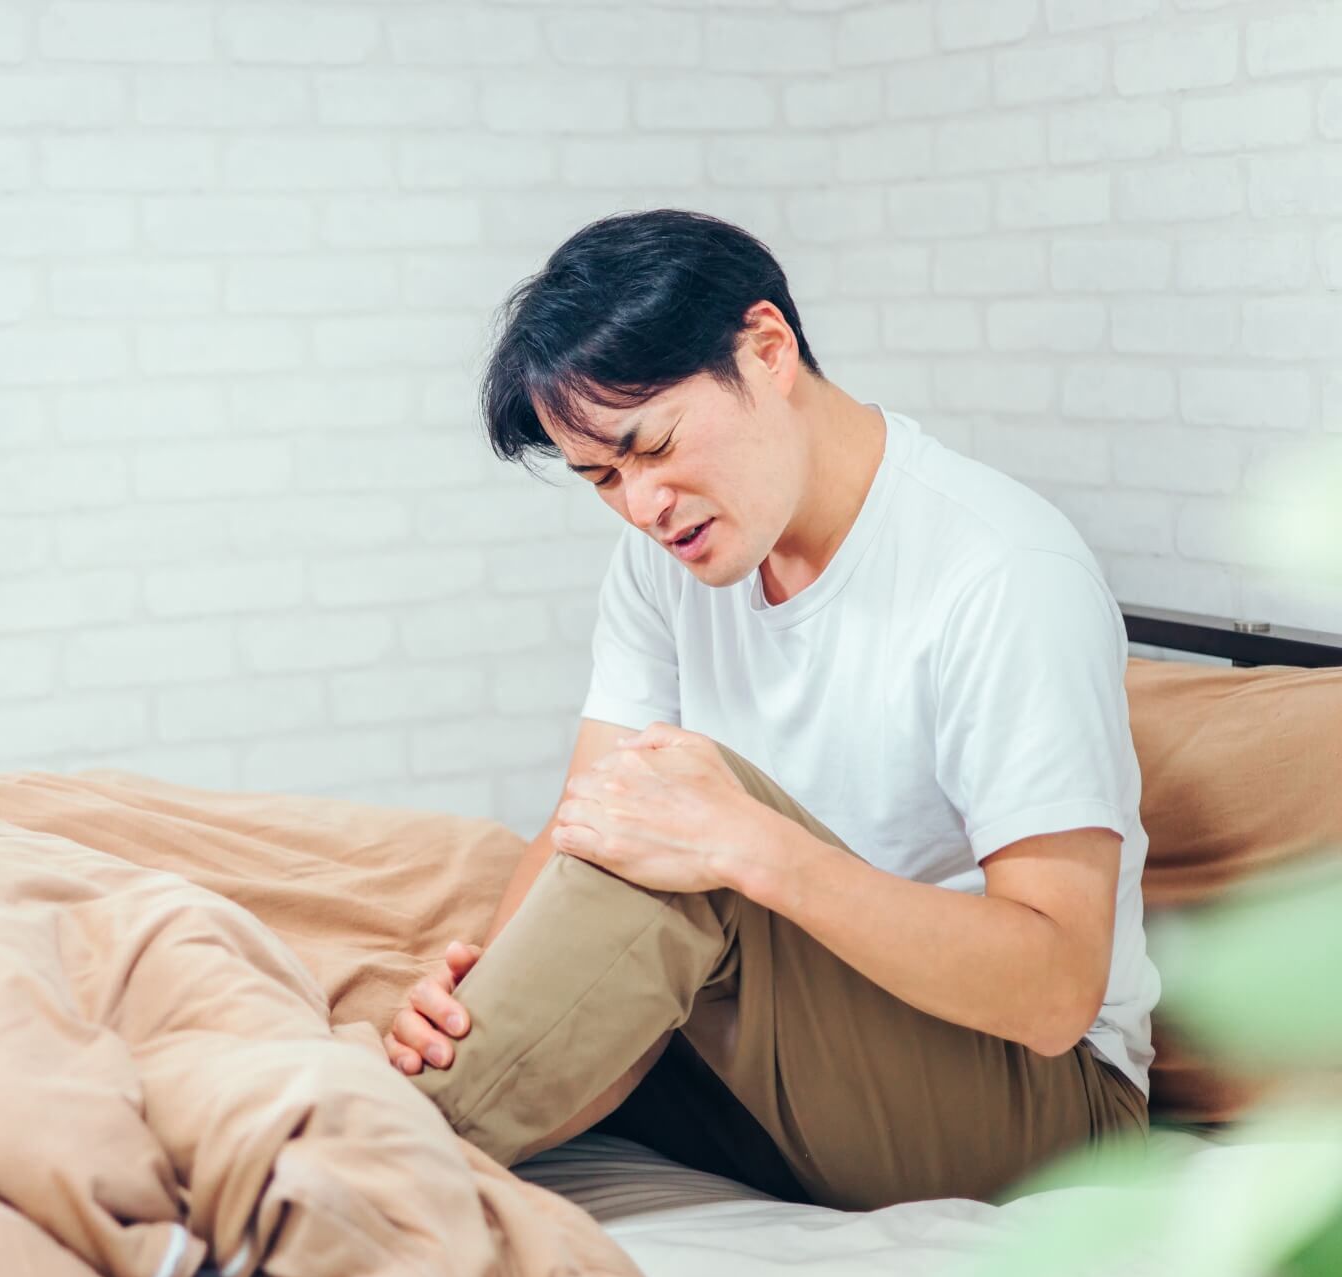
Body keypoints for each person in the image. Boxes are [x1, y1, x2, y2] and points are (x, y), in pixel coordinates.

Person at [384, 209, 1158, 1211]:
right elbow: (591, 821)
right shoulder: (662, 560)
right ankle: (395, 1104)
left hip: (1044, 1103)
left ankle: (356, 1168)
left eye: (654, 446)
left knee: (692, 812)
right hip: (796, 1064)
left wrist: (751, 849)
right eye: (603, 478)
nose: (643, 506)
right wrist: (481, 997)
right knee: (629, 840)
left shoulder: (1003, 572)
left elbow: (1055, 992)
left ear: (767, 349)